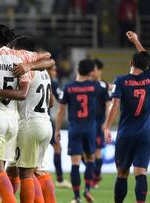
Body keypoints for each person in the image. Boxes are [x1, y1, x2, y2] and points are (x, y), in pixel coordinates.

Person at [0, 28, 54, 203]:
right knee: (20, 170)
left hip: (26, 124)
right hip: (42, 123)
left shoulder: (22, 65)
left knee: (23, 173)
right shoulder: (41, 70)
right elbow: (51, 101)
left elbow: (22, 93)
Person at [104, 31, 150, 203]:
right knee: (141, 173)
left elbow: (115, 106)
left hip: (126, 133)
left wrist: (107, 127)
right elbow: (146, 57)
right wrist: (136, 41)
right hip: (145, 134)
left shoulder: (121, 80)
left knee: (122, 173)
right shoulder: (148, 78)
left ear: (130, 62)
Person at [55, 59, 106, 203]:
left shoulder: (68, 87)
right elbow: (107, 91)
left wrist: (58, 130)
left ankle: (76, 197)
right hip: (90, 129)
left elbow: (60, 111)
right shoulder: (95, 86)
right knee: (91, 160)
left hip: (74, 129)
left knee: (75, 163)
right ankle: (88, 190)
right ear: (91, 72)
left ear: (77, 69)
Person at [48, 65, 72, 188]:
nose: (55, 72)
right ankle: (60, 179)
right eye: (53, 69)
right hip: (45, 119)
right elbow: (62, 98)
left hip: (29, 119)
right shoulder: (53, 83)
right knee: (57, 147)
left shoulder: (33, 79)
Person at [91, 58, 111, 188]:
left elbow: (108, 104)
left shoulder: (104, 86)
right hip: (85, 123)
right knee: (84, 151)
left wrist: (106, 122)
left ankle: (96, 178)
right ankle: (94, 174)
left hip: (98, 123)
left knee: (97, 151)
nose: (92, 72)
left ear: (99, 70)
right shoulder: (86, 84)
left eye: (94, 70)